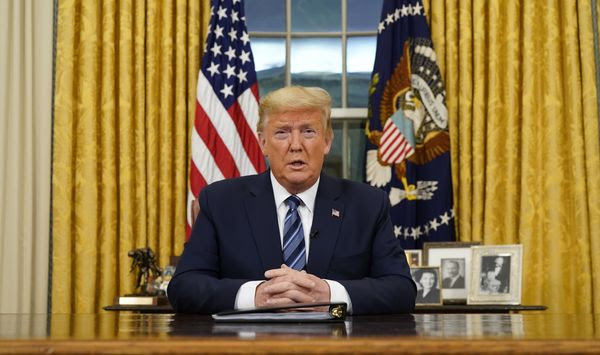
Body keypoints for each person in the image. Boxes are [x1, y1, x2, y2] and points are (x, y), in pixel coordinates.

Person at [168, 86, 416, 315]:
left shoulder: (367, 205)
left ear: (327, 141)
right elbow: (184, 287)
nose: (296, 145)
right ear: (263, 142)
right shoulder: (221, 202)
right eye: (282, 132)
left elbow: (401, 289)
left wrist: (329, 294)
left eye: (308, 131)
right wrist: (256, 296)